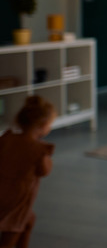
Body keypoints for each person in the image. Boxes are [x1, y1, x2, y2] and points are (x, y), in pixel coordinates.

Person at [0, 95, 56, 248]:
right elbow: (44, 171)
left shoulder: (7, 138)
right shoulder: (38, 149)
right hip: (18, 199)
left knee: (29, 220)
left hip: (2, 191)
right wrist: (47, 157)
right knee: (11, 234)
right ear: (43, 125)